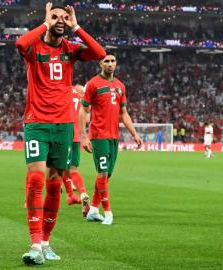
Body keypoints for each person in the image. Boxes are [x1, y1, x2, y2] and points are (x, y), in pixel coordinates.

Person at [15, 3, 105, 266]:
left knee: (55, 183)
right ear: (47, 19)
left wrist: (76, 26)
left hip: (64, 126)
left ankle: (45, 242)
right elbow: (20, 43)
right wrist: (46, 22)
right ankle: (34, 244)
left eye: (64, 17)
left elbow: (99, 53)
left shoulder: (70, 49)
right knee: (35, 178)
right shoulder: (34, 49)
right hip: (37, 123)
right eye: (56, 17)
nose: (60, 21)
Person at [79, 54, 142, 225]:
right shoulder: (93, 84)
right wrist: (83, 136)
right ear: (100, 63)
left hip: (114, 136)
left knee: (108, 175)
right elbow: (83, 109)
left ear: (116, 64)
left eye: (112, 61)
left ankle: (92, 209)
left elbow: (123, 113)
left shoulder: (120, 86)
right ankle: (107, 212)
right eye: (106, 61)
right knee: (103, 172)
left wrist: (134, 133)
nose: (110, 64)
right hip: (99, 135)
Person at [62, 84, 90, 217]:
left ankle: (70, 193)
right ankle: (80, 193)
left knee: (59, 167)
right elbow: (88, 118)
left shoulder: (64, 91)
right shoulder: (82, 100)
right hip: (77, 136)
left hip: (64, 134)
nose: (82, 93)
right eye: (82, 91)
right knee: (72, 168)